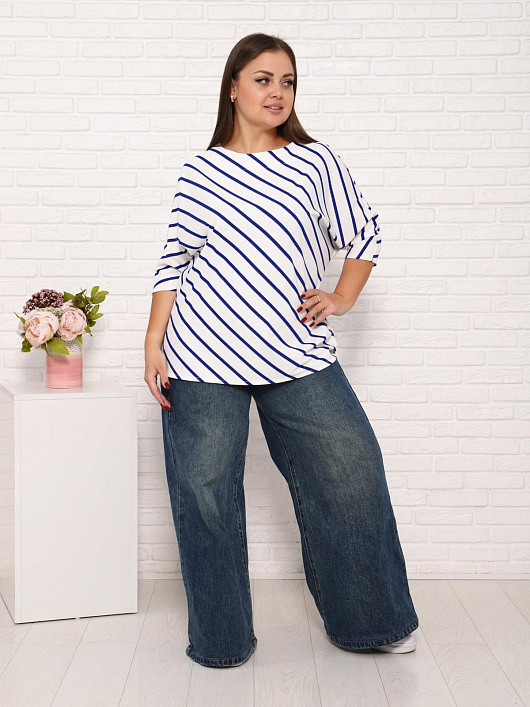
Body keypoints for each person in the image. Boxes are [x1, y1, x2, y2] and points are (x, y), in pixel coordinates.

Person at [144, 32, 419, 668]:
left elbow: (364, 232)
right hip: (202, 355)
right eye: (263, 79)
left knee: (351, 474)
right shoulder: (199, 172)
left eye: (287, 81)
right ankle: (221, 640)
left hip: (296, 351)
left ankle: (372, 621)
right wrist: (154, 342)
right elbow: (173, 261)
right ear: (233, 87)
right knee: (205, 497)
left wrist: (341, 297)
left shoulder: (315, 163)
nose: (277, 92)